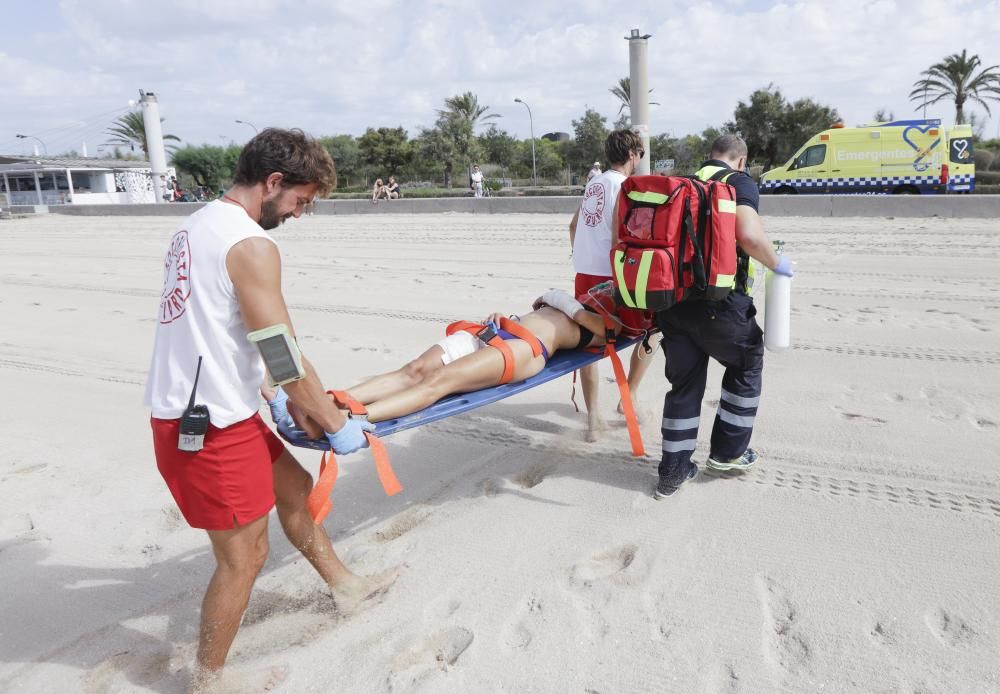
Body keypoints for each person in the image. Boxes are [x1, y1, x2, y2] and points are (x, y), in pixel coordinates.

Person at [144, 128, 396, 687]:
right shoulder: (251, 244)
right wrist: (331, 419)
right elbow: (281, 349)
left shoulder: (197, 224)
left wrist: (270, 390)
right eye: (301, 201)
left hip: (214, 406)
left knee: (296, 490)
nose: (300, 213)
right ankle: (208, 680)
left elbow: (211, 323)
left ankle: (345, 587)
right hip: (207, 426)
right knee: (244, 558)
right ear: (273, 182)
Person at [287, 284, 648, 430]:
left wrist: (560, 298)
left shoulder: (608, 323)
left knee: (437, 383)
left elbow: (580, 315)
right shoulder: (570, 300)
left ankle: (345, 419)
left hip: (525, 350)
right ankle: (327, 402)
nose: (603, 288)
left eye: (611, 289)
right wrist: (551, 300)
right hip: (497, 330)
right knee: (413, 369)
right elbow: (550, 298)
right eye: (605, 285)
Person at [653, 134, 794, 499]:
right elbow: (748, 235)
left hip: (673, 303)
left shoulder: (686, 182)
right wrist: (778, 264)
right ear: (741, 160)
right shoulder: (739, 182)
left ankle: (672, 472)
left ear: (710, 156)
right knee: (747, 361)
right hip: (718, 304)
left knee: (685, 384)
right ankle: (727, 455)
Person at [568, 129, 657, 442]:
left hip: (584, 273)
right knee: (654, 329)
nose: (639, 161)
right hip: (609, 276)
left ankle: (593, 418)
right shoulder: (625, 186)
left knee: (586, 340)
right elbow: (622, 238)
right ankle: (628, 396)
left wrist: (582, 257)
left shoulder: (594, 183)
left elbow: (573, 226)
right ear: (632, 155)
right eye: (639, 155)